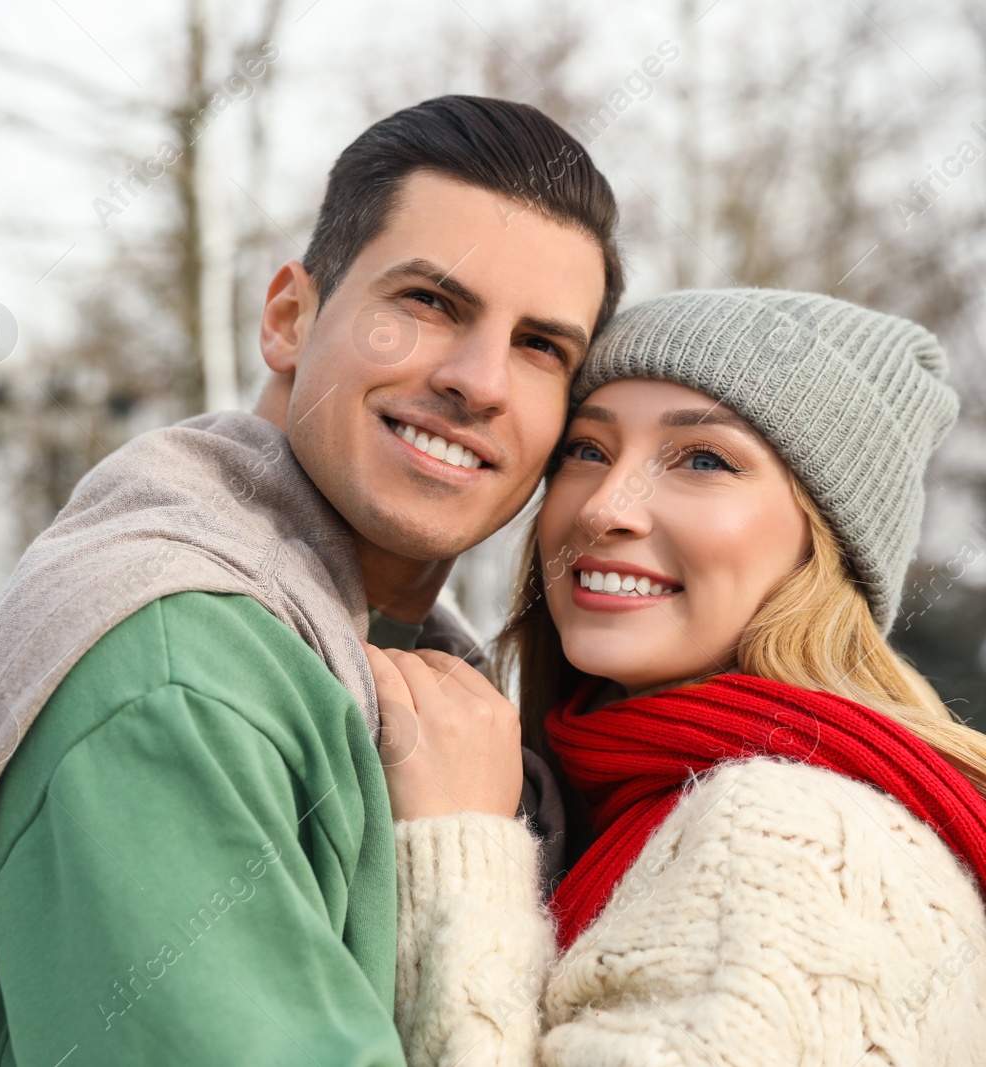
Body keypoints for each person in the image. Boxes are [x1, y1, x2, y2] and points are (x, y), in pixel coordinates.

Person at [0, 95, 622, 1066]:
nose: (478, 380)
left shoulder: (420, 673)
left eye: (539, 346)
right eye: (429, 302)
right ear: (288, 318)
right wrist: (464, 854)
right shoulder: (177, 670)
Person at [371, 288, 986, 1064]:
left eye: (703, 459)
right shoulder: (615, 800)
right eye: (586, 449)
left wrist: (459, 855)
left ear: (824, 545)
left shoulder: (794, 842)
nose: (603, 507)